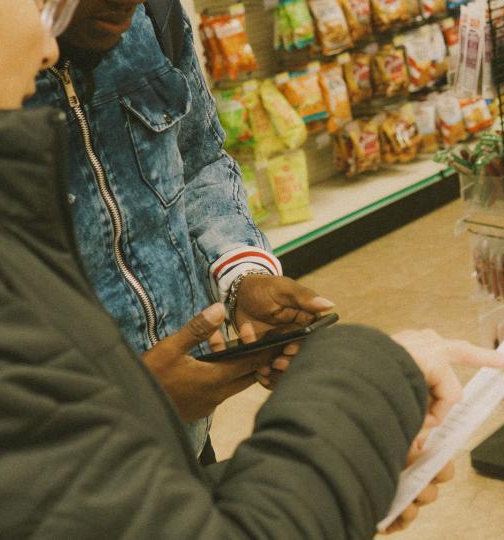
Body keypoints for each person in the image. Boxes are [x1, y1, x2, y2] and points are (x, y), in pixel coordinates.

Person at [0, 0, 504, 536]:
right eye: (42, 4)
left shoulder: (153, 25)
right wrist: (371, 377)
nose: (46, 40)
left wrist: (240, 274)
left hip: (161, 441)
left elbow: (197, 158)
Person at [24, 0, 328, 457]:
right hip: (65, 471)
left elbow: (197, 159)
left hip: (188, 434)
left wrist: (240, 273)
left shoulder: (158, 17)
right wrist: (130, 401)